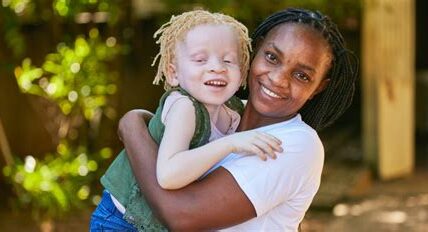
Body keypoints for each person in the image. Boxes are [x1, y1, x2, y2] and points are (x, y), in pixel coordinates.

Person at [118, 7, 359, 231]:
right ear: (254, 52)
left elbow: (182, 215)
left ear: (318, 88)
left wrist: (131, 126)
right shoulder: (223, 113)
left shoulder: (296, 144)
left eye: (301, 75)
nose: (278, 79)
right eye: (272, 57)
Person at [90, 10, 283, 231]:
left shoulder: (233, 109)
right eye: (200, 59)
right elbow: (168, 175)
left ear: (241, 74)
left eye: (228, 60)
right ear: (173, 73)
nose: (216, 67)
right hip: (123, 221)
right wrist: (231, 143)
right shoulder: (184, 107)